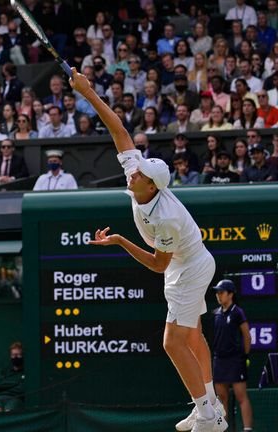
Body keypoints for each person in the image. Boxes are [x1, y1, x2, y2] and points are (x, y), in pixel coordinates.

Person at [70, 67, 227, 432]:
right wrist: (88, 92)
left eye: (138, 174)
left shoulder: (166, 218)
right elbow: (119, 131)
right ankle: (210, 404)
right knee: (191, 336)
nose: (131, 173)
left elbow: (158, 265)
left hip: (188, 266)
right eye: (134, 169)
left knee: (173, 343)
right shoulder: (138, 174)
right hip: (186, 263)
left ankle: (207, 415)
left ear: (152, 186)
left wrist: (121, 240)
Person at [211, 280, 254, 431]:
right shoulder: (216, 313)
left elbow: (247, 336)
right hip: (219, 360)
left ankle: (247, 429)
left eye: (221, 292)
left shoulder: (237, 312)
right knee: (221, 399)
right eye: (217, 292)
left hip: (236, 360)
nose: (218, 295)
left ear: (230, 294)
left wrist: (244, 356)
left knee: (241, 397)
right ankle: (222, 429)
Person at [0, 342, 26, 412]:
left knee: (9, 411)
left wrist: (6, 384)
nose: (16, 357)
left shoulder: (26, 372)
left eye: (18, 355)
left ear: (22, 355)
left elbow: (22, 388)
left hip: (16, 398)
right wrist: (16, 382)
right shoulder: (3, 370)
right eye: (13, 355)